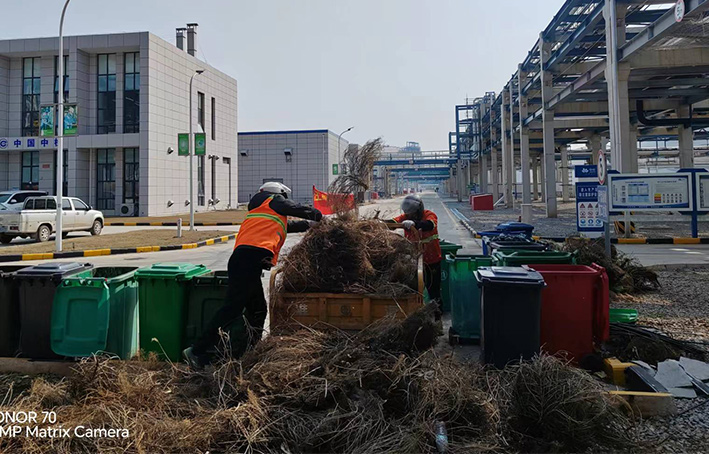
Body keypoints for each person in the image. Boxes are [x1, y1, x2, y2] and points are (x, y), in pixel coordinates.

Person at [183, 182, 322, 369]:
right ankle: (197, 351)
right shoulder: (273, 199)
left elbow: (287, 225)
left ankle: (250, 352)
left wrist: (309, 225)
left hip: (246, 262)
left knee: (258, 310)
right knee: (231, 309)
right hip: (247, 261)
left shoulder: (262, 212)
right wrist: (318, 215)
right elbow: (294, 208)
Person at [388, 194, 442, 313]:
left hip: (432, 260)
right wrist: (381, 223)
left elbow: (430, 225)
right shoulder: (406, 217)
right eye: (408, 214)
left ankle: (437, 315)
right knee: (414, 288)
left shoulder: (429, 215)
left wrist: (415, 224)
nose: (409, 215)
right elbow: (394, 222)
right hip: (414, 260)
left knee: (433, 290)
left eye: (412, 213)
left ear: (418, 210)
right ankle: (416, 312)